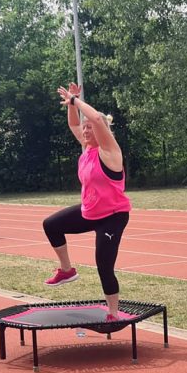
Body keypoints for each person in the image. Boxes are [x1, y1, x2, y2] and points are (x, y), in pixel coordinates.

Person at [42, 83, 131, 319]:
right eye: (85, 128)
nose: (85, 130)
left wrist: (74, 101)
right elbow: (73, 123)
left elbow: (98, 120)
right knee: (51, 225)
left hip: (112, 216)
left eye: (89, 127)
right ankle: (67, 270)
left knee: (104, 266)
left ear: (101, 131)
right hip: (90, 212)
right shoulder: (86, 149)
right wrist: (72, 106)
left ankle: (113, 312)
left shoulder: (110, 151)